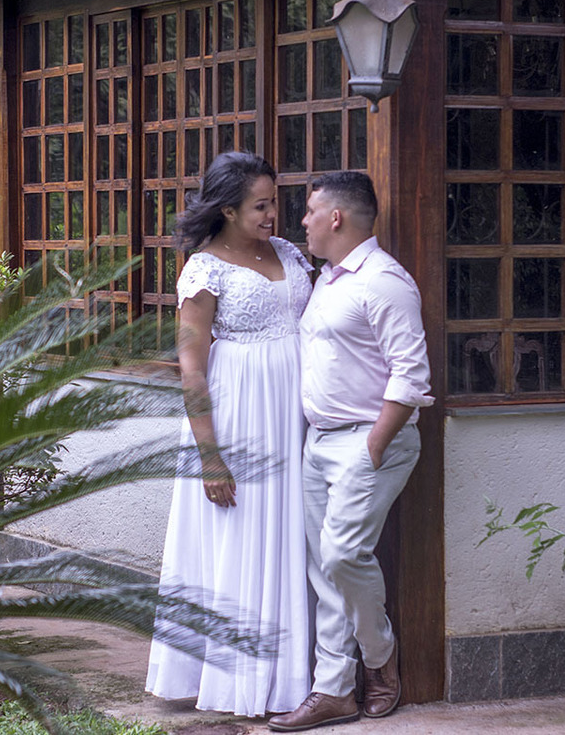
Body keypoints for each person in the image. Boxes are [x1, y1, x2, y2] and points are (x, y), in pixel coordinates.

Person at [146, 152, 313, 717]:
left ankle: (294, 677)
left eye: (275, 201)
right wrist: (210, 458)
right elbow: (192, 368)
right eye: (260, 205)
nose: (273, 214)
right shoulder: (205, 268)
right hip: (239, 416)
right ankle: (237, 680)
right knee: (240, 539)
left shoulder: (289, 253)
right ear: (228, 209)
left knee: (292, 536)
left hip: (294, 414)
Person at [269, 172, 433, 732]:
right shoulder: (328, 281)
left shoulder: (385, 282)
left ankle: (380, 658)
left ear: (335, 218)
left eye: (310, 212)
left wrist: (374, 445)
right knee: (324, 570)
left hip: (368, 441)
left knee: (341, 556)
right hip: (319, 442)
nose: (304, 223)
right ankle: (334, 691)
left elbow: (411, 377)